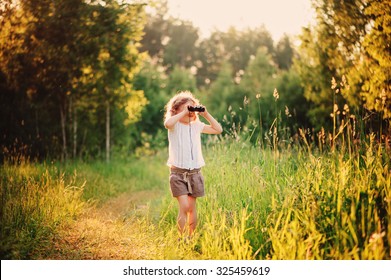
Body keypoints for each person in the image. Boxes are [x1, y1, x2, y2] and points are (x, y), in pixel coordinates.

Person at [164, 90, 223, 237]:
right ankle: (181, 237)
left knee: (191, 207)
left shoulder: (197, 125)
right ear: (175, 110)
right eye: (186, 108)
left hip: (195, 173)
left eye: (192, 108)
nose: (190, 111)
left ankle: (190, 237)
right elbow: (168, 123)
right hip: (177, 173)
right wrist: (183, 113)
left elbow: (218, 130)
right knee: (184, 206)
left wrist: (206, 114)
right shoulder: (175, 125)